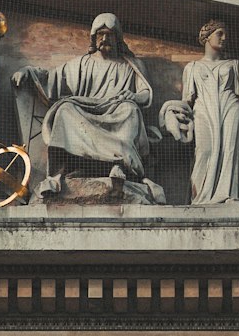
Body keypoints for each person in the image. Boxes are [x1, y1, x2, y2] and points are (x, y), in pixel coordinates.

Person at [12, 13, 161, 199]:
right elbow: (52, 79)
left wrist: (134, 96)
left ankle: (119, 166)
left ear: (118, 38)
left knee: (130, 110)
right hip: (86, 109)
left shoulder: (131, 65)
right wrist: (28, 71)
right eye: (100, 35)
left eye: (109, 34)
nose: (105, 39)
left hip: (116, 110)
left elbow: (145, 93)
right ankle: (66, 171)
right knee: (65, 109)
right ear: (93, 38)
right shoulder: (82, 63)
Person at [182, 19, 239, 204]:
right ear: (206, 36)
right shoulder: (193, 67)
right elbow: (186, 101)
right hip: (203, 110)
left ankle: (229, 195)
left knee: (231, 150)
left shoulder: (234, 65)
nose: (224, 38)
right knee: (204, 150)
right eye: (220, 33)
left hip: (230, 106)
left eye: (225, 34)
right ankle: (201, 198)